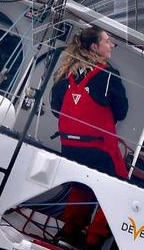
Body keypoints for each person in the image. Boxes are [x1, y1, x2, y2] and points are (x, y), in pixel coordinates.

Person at [50, 27, 129, 179]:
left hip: (69, 148)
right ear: (95, 47)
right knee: (118, 192)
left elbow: (55, 109)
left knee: (76, 190)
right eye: (107, 42)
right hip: (99, 151)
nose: (111, 46)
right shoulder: (108, 75)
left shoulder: (64, 73)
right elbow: (122, 112)